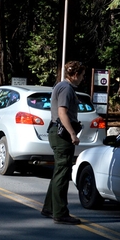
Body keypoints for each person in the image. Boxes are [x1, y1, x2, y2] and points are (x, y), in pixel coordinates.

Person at [41, 61, 86, 225]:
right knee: (62, 172)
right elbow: (62, 113)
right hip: (62, 134)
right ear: (74, 75)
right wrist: (72, 133)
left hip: (56, 132)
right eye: (81, 75)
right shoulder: (66, 89)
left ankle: (49, 207)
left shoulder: (60, 86)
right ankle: (60, 213)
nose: (82, 78)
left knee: (58, 171)